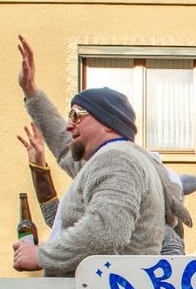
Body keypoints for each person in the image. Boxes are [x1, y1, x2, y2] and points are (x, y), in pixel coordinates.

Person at [12, 35, 182, 276]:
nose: (69, 126)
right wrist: (31, 92)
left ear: (109, 123)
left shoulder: (118, 161)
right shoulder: (111, 159)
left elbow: (106, 230)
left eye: (76, 115)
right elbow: (64, 147)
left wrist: (41, 255)